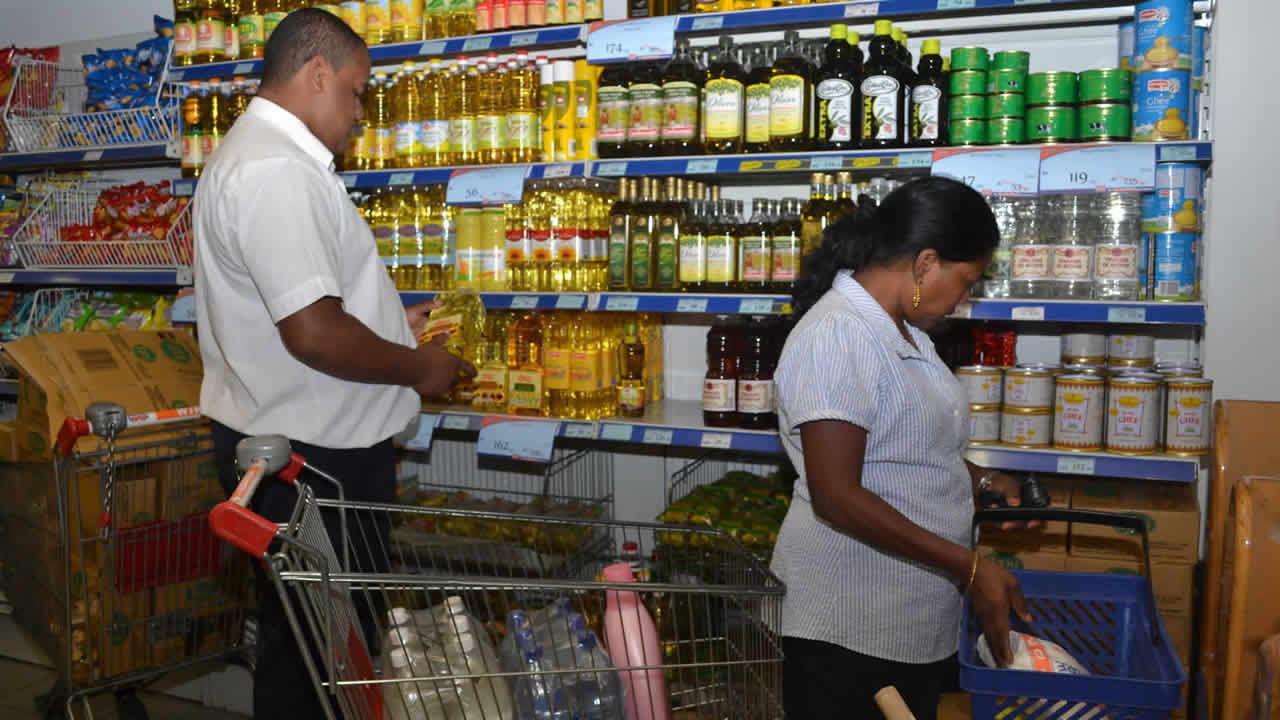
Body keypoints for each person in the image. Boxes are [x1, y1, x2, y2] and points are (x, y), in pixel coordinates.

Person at [191, 9, 474, 718]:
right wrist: (419, 368)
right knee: (321, 665)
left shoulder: (262, 157)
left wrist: (392, 326)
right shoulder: (275, 171)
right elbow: (313, 334)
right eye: (356, 91)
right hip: (314, 465)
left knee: (307, 649)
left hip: (291, 449)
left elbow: (299, 311)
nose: (360, 111)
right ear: (317, 74)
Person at [772, 176, 1035, 720]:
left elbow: (909, 445)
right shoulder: (837, 336)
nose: (963, 300)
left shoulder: (903, 331)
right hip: (848, 629)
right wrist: (968, 567)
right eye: (966, 282)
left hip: (904, 620)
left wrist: (982, 481)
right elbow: (837, 496)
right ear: (925, 263)